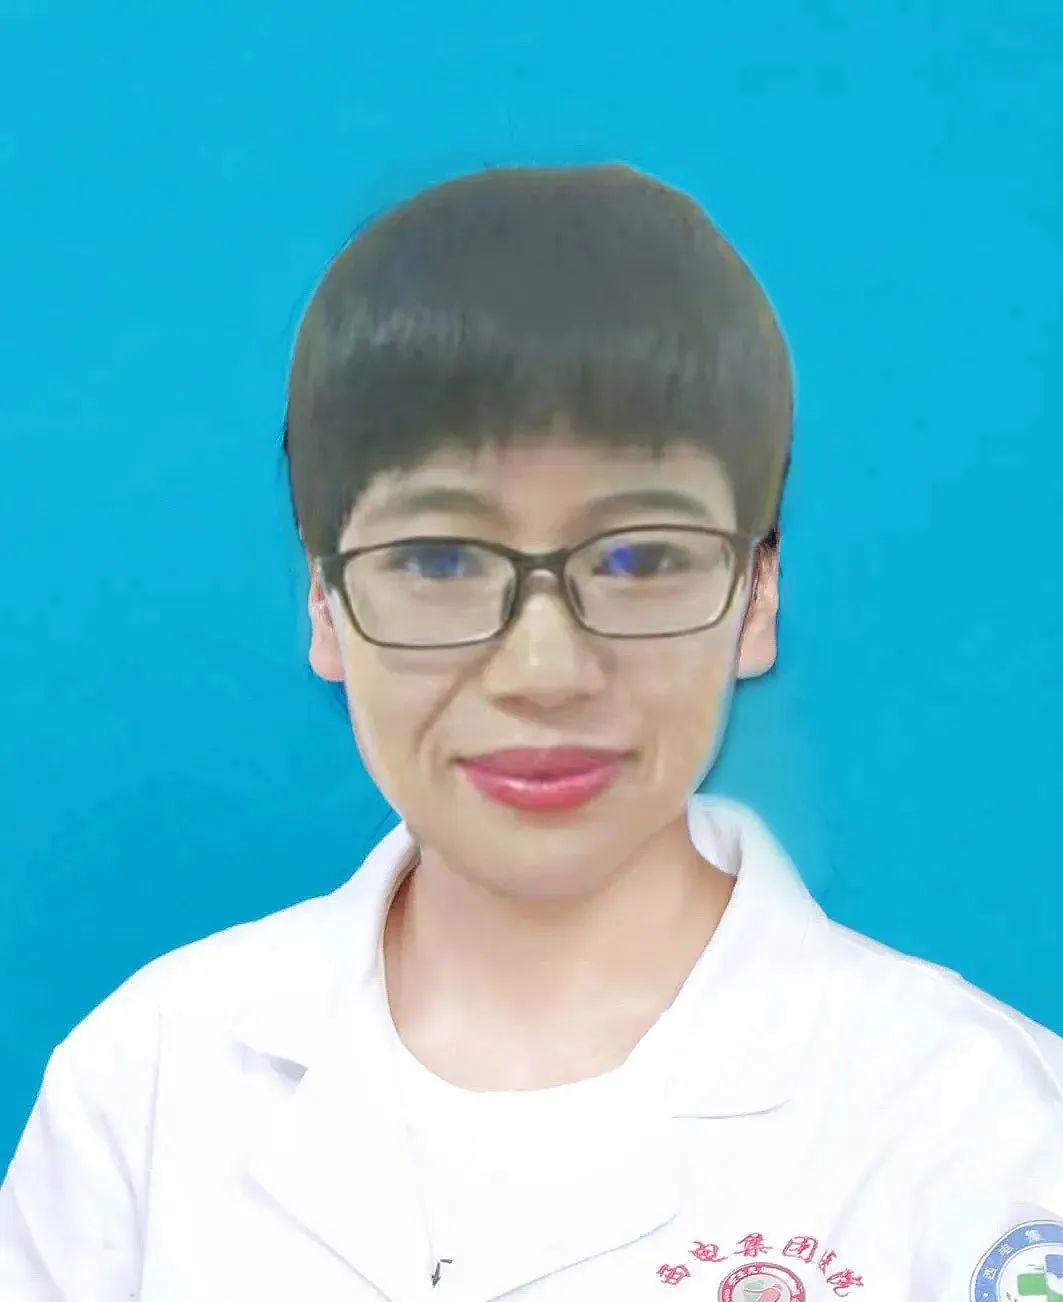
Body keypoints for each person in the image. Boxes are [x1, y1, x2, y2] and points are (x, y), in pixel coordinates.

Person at [0, 164, 1060, 1302]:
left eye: (641, 558)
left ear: (757, 598)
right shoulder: (148, 1085)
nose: (544, 673)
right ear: (324, 605)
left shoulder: (984, 1133)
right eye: (438, 560)